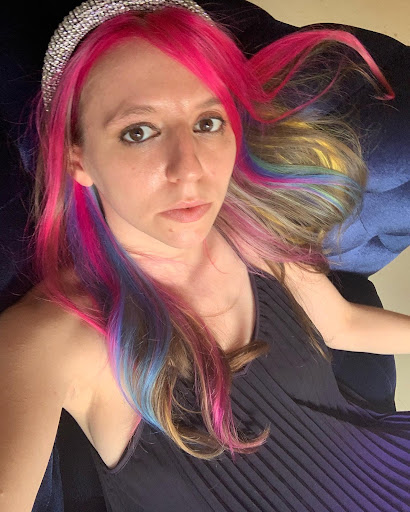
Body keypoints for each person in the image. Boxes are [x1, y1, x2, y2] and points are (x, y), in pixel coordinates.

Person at [1, 1, 409, 511]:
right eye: (139, 131)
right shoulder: (50, 337)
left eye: (208, 122)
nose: (189, 169)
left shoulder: (251, 231)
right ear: (77, 158)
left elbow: (341, 325)